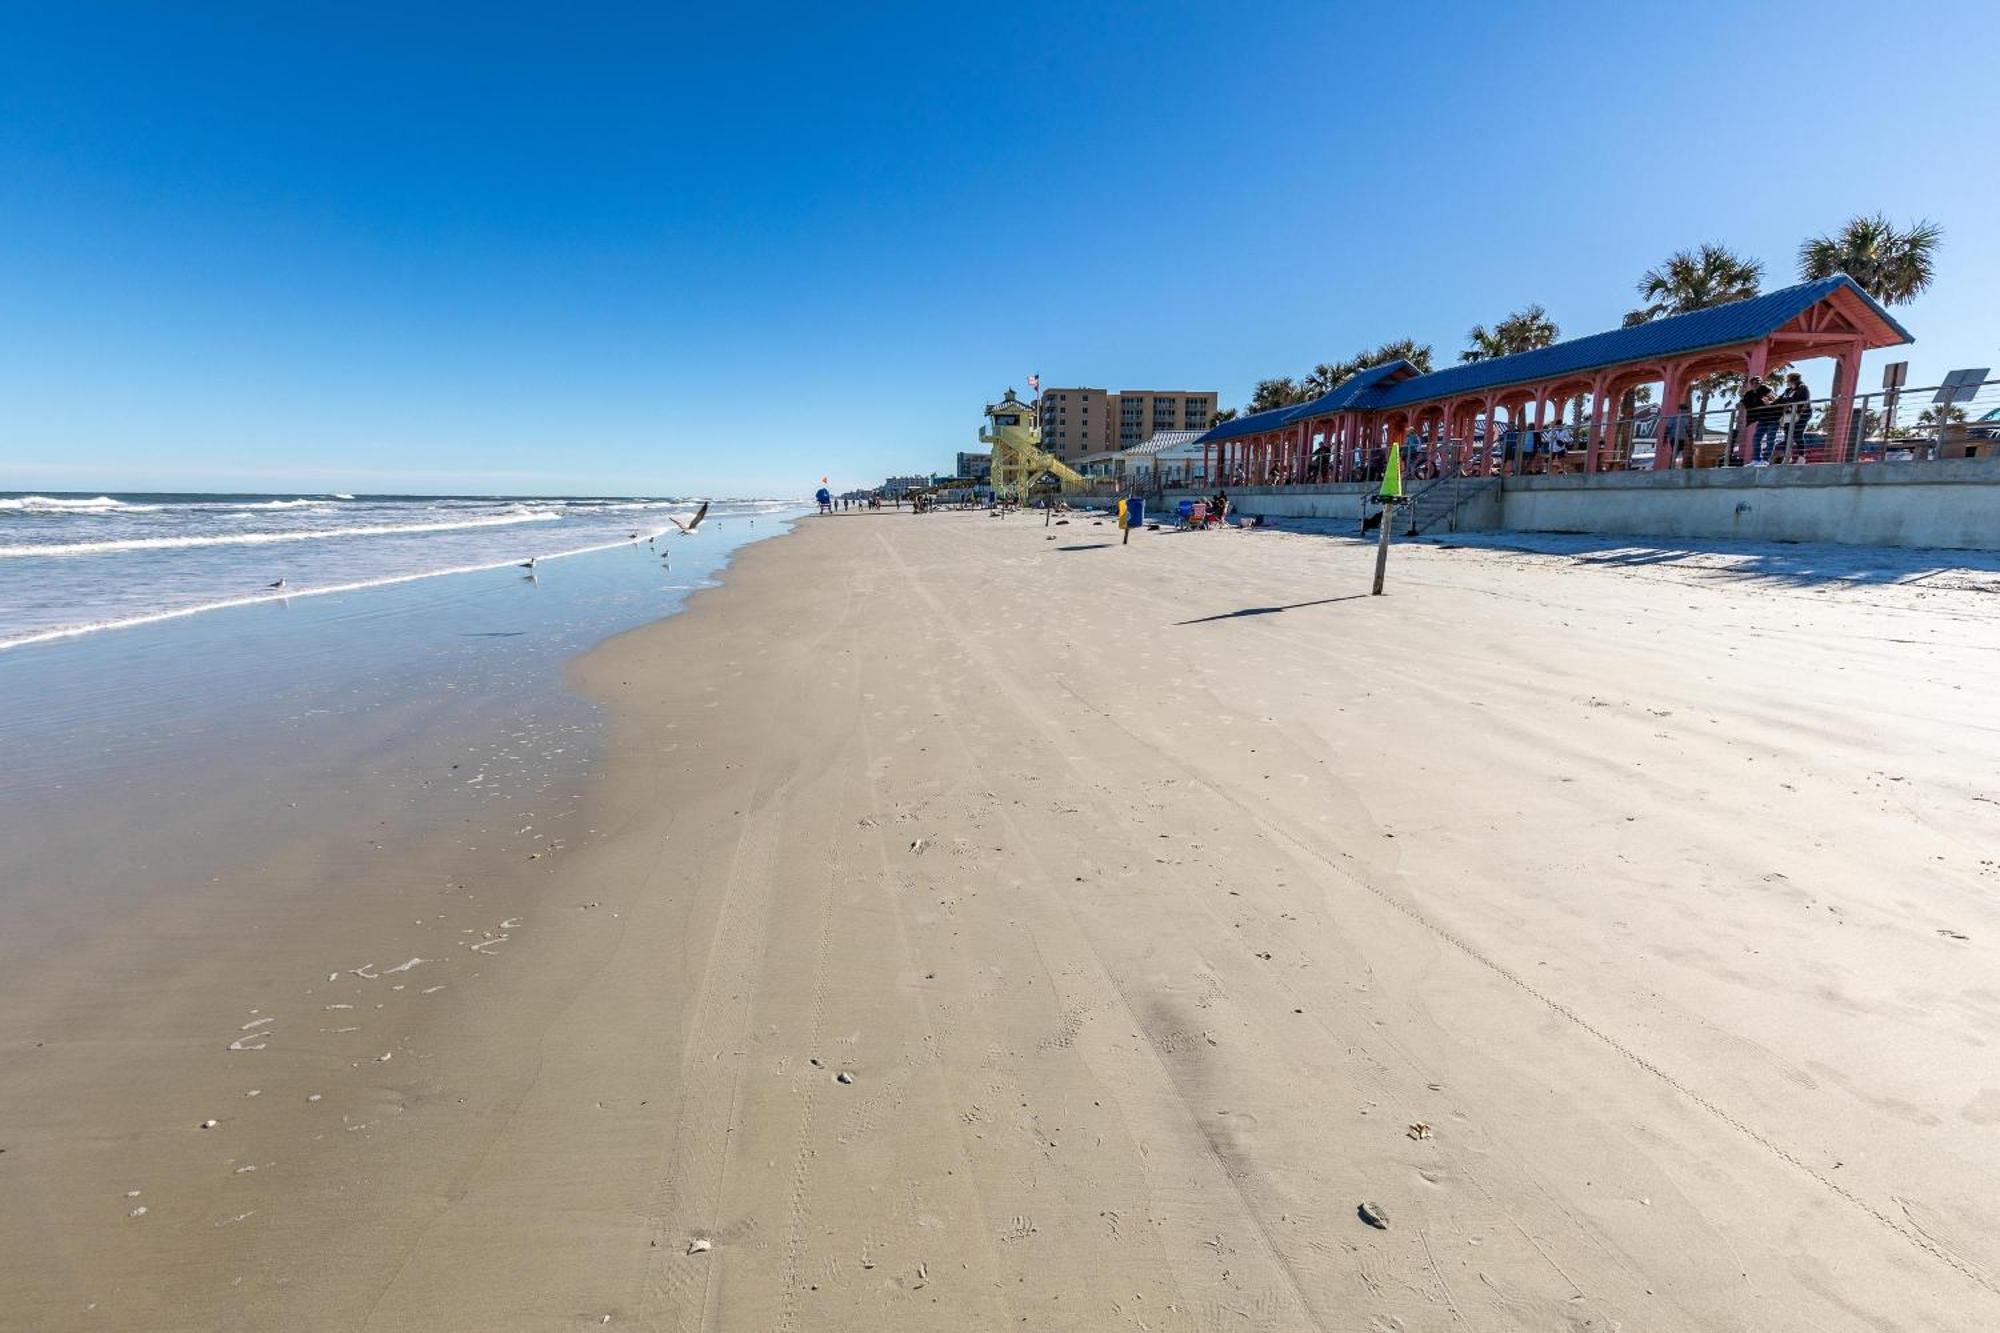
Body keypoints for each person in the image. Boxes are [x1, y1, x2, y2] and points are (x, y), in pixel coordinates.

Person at [1741, 375, 1777, 463]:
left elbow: (1773, 400)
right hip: (1762, 419)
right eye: (1752, 383)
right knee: (1756, 439)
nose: (1755, 385)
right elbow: (1743, 403)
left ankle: (1766, 459)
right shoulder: (1749, 394)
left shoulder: (1766, 389)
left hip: (1773, 418)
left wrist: (1768, 401)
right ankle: (1756, 459)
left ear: (1761, 383)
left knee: (1770, 439)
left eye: (1757, 383)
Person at [1776, 372, 1811, 462]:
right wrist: (1770, 403)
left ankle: (1801, 457)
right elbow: (1780, 400)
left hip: (1802, 414)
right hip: (1790, 415)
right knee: (1787, 435)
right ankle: (1787, 457)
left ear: (1793, 380)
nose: (1786, 382)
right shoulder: (1787, 390)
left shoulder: (1803, 388)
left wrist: (1799, 414)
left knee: (1797, 434)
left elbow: (1803, 402)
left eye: (1787, 380)